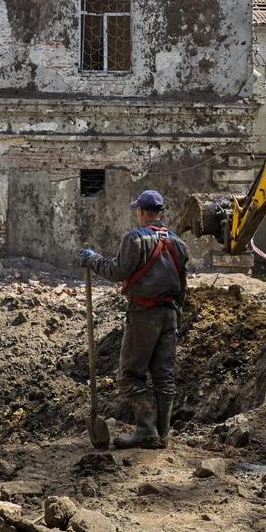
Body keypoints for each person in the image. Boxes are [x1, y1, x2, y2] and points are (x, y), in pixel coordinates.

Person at [79, 189, 189, 449]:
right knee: (164, 376)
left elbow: (117, 272)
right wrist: (177, 316)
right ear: (160, 212)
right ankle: (162, 434)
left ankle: (146, 430)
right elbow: (183, 285)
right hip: (170, 313)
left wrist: (92, 260)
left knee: (130, 375)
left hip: (143, 314)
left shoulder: (135, 239)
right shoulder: (178, 243)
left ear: (141, 212)